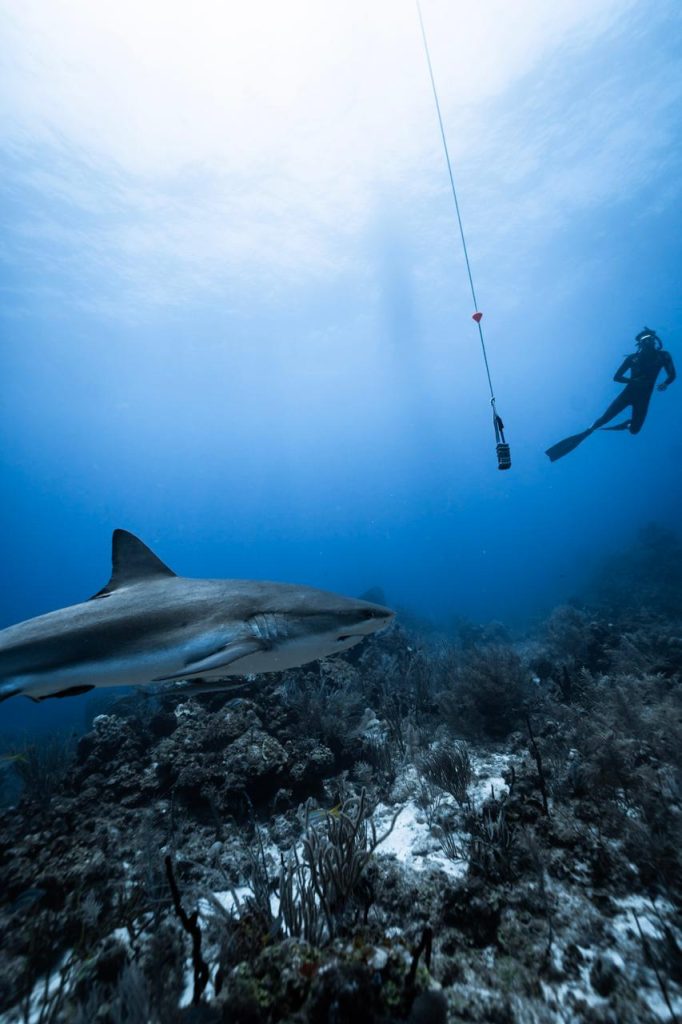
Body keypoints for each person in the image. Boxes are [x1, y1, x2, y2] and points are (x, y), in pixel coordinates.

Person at [546, 327, 676, 462]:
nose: (648, 342)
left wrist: (665, 383)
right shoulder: (633, 358)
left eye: (651, 339)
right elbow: (617, 377)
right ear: (640, 344)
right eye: (645, 340)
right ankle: (587, 432)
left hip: (643, 398)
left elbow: (672, 375)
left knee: (635, 430)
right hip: (628, 394)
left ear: (655, 341)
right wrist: (633, 381)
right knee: (602, 420)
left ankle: (627, 424)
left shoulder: (663, 356)